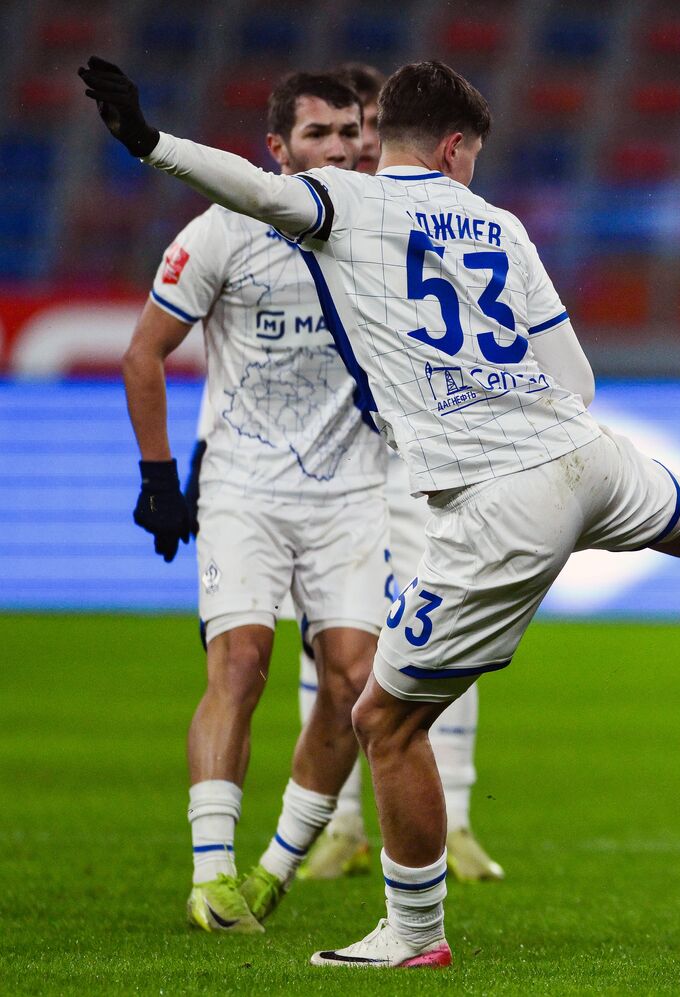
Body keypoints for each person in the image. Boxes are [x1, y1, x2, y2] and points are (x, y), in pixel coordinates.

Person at [81, 57, 680, 966]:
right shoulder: (499, 224)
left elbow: (250, 190)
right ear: (459, 146)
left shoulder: (349, 202)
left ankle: (413, 935)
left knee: (385, 721)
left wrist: (150, 143)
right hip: (580, 449)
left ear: (393, 138)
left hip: (496, 491)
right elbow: (574, 378)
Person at [120, 72, 390, 934]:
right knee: (240, 666)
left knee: (356, 686)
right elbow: (143, 353)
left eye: (351, 131)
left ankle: (274, 866)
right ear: (276, 151)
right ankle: (210, 873)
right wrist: (159, 477)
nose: (342, 148)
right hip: (244, 486)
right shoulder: (224, 230)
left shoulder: (381, 226)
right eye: (319, 134)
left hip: (355, 491)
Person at [294, 61, 504, 884]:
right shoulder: (316, 215)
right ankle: (343, 823)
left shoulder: (413, 218)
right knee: (333, 642)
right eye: (338, 132)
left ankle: (452, 815)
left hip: (418, 455)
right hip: (331, 463)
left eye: (362, 132)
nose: (352, 146)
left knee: (442, 623)